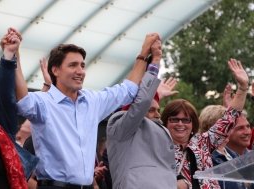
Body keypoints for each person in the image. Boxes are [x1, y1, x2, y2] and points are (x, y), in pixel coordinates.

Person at [14, 30, 160, 187]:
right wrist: (14, 54)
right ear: (55, 70)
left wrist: (144, 54)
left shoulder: (92, 101)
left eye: (82, 65)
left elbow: (128, 89)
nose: (80, 71)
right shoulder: (43, 102)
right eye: (73, 65)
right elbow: (23, 100)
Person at [160, 59, 248, 189]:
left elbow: (230, 118)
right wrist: (156, 96)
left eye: (186, 120)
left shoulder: (203, 144)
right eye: (174, 119)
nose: (180, 124)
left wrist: (243, 88)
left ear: (193, 124)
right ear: (165, 122)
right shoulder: (157, 149)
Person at [106, 40, 178, 189]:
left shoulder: (154, 129)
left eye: (158, 110)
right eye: (152, 110)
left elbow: (144, 103)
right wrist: (155, 62)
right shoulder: (120, 126)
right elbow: (140, 104)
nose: (158, 115)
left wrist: (156, 95)